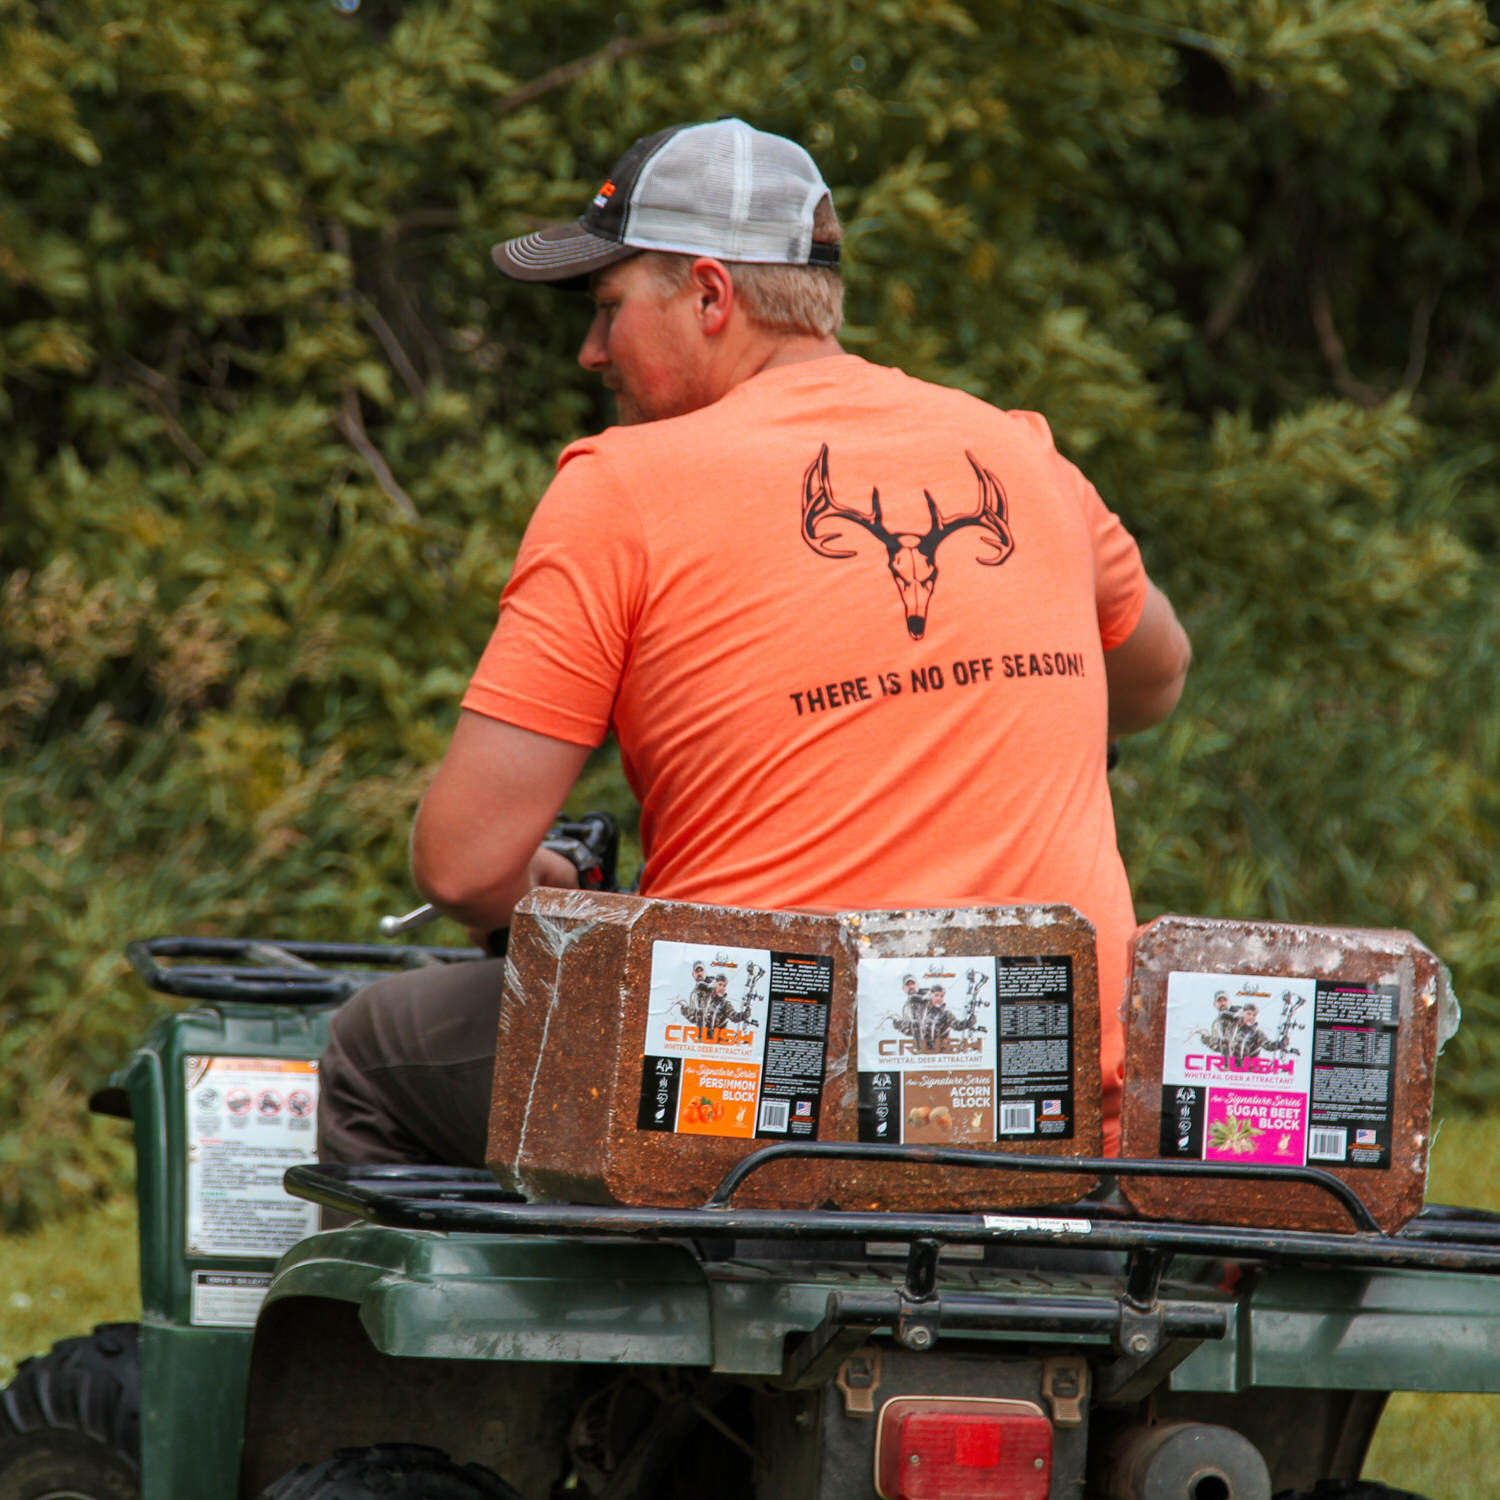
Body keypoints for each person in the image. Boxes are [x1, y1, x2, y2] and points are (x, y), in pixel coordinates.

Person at [317, 117, 1191, 1169]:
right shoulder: (1020, 457)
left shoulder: (623, 488)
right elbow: (1155, 677)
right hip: (1041, 1096)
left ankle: (559, 1335)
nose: (591, 352)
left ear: (709, 295)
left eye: (606, 308)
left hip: (759, 1106)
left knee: (375, 1050)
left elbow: (460, 868)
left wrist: (552, 884)